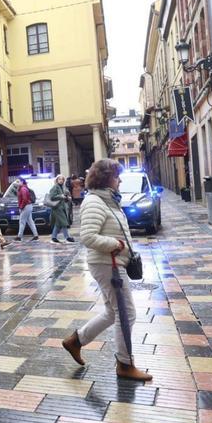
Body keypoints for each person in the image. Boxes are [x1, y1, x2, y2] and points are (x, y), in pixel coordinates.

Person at [61, 159, 152, 381]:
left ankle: (75, 341)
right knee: (127, 313)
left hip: (112, 263)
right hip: (108, 265)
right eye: (116, 176)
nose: (120, 180)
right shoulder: (95, 202)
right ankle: (125, 363)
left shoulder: (107, 200)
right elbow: (88, 237)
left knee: (113, 312)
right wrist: (116, 244)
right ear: (106, 178)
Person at [49, 175, 75, 243]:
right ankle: (67, 237)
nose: (61, 180)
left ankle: (53, 237)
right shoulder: (55, 187)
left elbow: (63, 197)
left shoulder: (62, 187)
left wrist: (67, 198)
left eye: (62, 179)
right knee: (64, 223)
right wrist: (61, 196)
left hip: (62, 207)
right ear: (57, 180)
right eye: (59, 179)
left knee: (58, 224)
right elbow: (52, 197)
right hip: (57, 208)